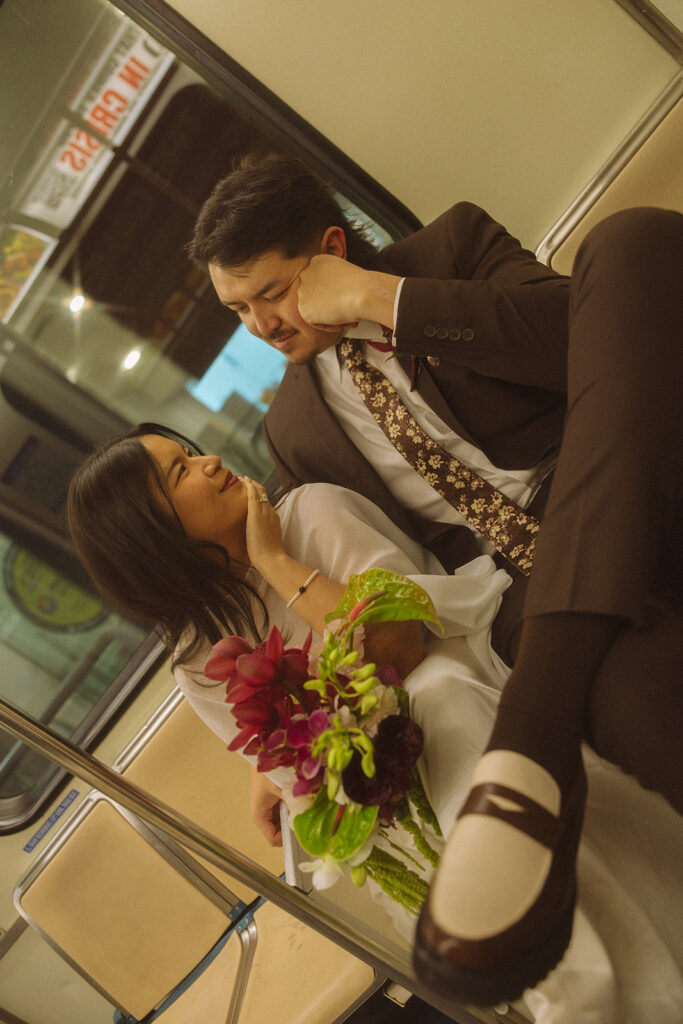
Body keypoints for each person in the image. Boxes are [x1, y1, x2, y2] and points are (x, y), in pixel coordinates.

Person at [187, 153, 683, 1002]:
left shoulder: (451, 248)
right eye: (238, 311)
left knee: (632, 245)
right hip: (522, 585)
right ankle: (545, 709)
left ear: (330, 251)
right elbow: (397, 583)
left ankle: (531, 738)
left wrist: (379, 303)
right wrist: (263, 761)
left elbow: (598, 339)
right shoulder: (295, 426)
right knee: (633, 697)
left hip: (636, 479)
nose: (262, 328)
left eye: (272, 294)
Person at [67, 423, 683, 1024]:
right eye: (181, 473)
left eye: (190, 454)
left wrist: (274, 559)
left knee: (438, 712)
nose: (207, 463)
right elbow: (290, 765)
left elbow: (402, 647)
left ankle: (581, 992)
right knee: (381, 832)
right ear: (153, 539)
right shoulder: (197, 664)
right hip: (379, 769)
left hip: (450, 679)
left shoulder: (312, 513)